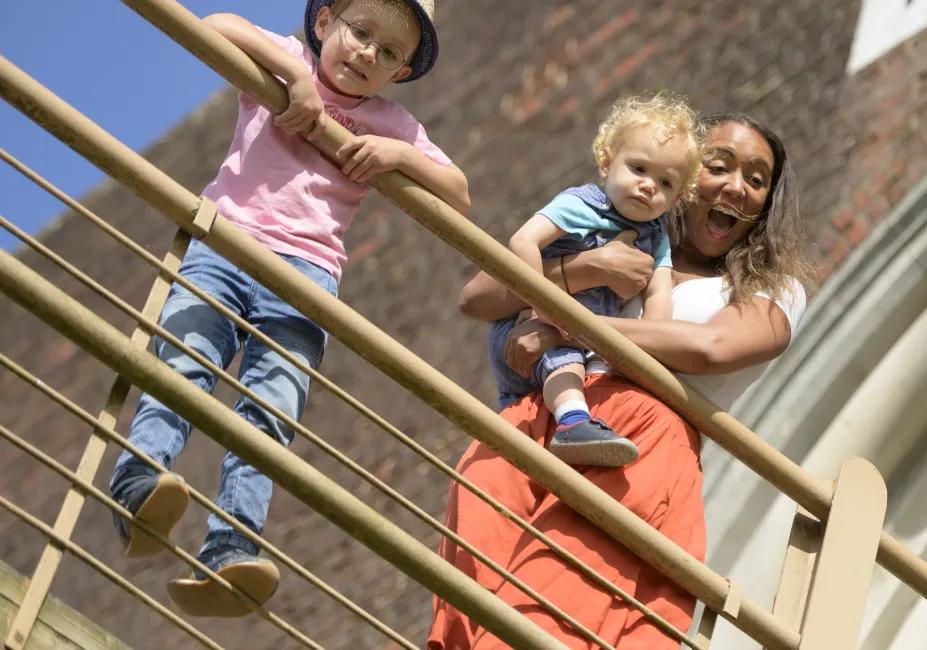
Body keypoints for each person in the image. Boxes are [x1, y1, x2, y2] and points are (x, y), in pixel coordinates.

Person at [106, 0, 469, 618]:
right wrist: (292, 78)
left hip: (306, 276)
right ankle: (140, 483)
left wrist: (398, 157)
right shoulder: (288, 58)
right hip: (226, 243)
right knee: (185, 361)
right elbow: (215, 27)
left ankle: (230, 548)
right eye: (361, 33)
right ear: (325, 22)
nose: (367, 54)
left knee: (270, 411)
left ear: (400, 74)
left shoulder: (392, 123)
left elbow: (457, 196)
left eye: (388, 54)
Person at [429, 113, 813, 649]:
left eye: (755, 179)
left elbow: (710, 347)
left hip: (640, 436)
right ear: (684, 178)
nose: (735, 186)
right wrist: (588, 268)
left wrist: (567, 324)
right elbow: (477, 297)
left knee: (550, 605)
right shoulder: (614, 233)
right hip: (540, 410)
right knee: (470, 576)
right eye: (718, 166)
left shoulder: (772, 288)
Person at [492, 94, 703, 468]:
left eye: (666, 183)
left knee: (605, 372)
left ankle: (579, 429)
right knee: (567, 362)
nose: (649, 186)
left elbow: (659, 293)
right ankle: (573, 424)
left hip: (585, 335)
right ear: (607, 163)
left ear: (675, 199)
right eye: (638, 168)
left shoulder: (656, 237)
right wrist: (544, 308)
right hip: (533, 328)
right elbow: (523, 240)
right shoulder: (583, 205)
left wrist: (648, 349)